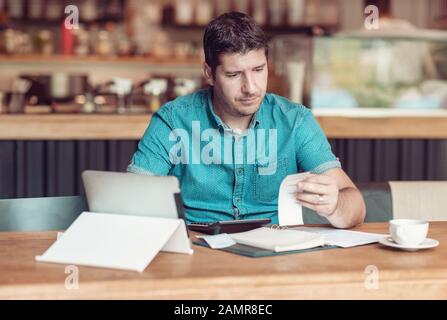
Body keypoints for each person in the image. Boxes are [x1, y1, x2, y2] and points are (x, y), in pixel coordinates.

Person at [128, 12, 365, 228]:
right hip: (197, 251)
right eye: (233, 75)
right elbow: (131, 199)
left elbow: (355, 206)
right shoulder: (173, 120)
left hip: (276, 253)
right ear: (209, 74)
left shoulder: (295, 121)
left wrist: (335, 206)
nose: (250, 88)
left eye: (259, 70)